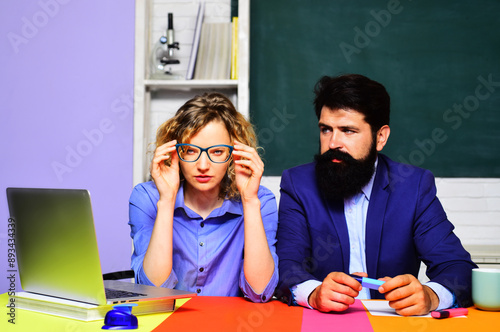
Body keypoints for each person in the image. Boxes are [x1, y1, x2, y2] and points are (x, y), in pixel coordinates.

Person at [276, 74, 476, 315]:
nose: (333, 143)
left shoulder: (414, 186)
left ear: (380, 137)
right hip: (323, 323)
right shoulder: (298, 184)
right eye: (326, 129)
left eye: (348, 131)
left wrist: (431, 296)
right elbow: (286, 266)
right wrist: (313, 292)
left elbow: (458, 267)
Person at [129, 92, 278, 302]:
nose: (203, 166)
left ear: (234, 154)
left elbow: (260, 292)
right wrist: (167, 200)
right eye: (190, 151)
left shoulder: (260, 200)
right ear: (174, 152)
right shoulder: (147, 198)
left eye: (217, 152)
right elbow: (153, 291)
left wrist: (250, 201)